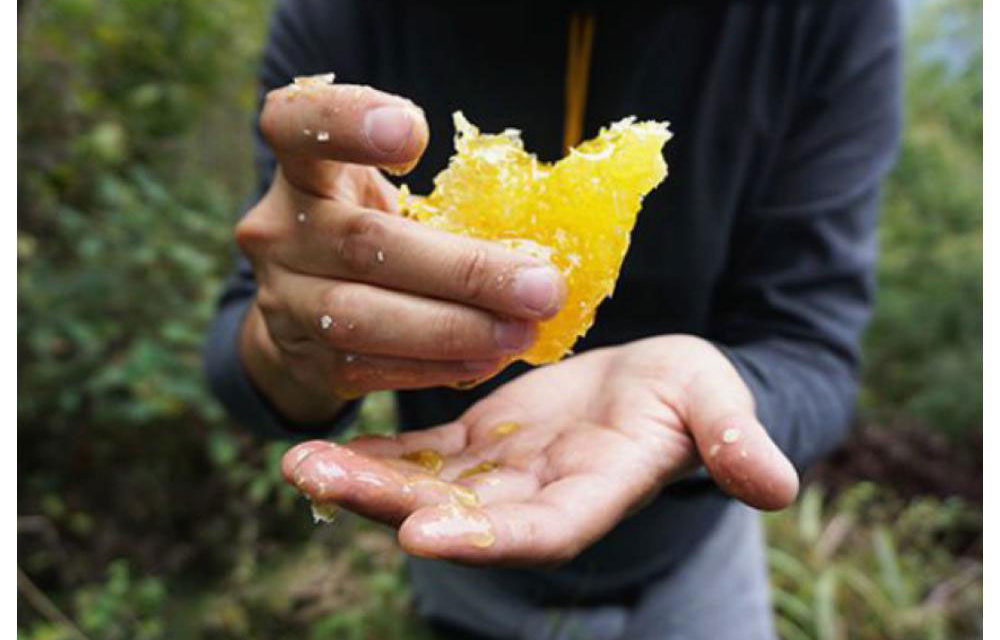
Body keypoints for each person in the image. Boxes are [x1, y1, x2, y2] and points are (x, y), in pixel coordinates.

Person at [205, 1, 901, 638]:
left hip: (698, 572)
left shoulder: (828, 16)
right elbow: (244, 354)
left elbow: (812, 349)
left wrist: (711, 395)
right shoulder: (345, 16)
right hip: (455, 529)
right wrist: (297, 348)